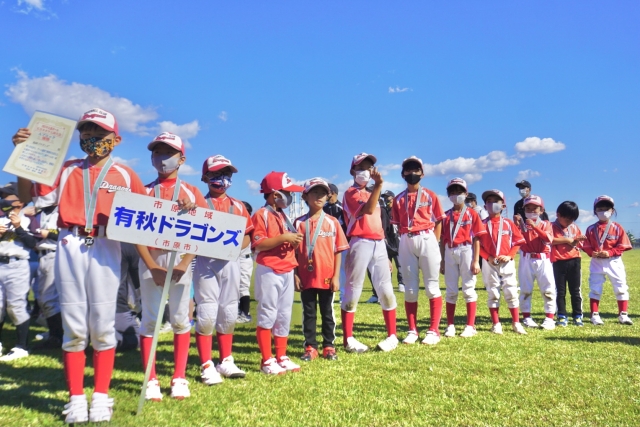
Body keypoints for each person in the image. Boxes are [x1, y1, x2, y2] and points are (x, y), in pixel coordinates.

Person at [13, 108, 148, 423]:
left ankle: (100, 396)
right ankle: (76, 398)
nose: (92, 139)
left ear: (116, 139)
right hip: (70, 242)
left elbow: (147, 217)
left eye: (100, 134)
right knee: (74, 324)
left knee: (102, 324)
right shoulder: (67, 169)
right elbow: (27, 196)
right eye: (86, 133)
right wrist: (22, 157)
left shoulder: (126, 175)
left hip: (107, 244)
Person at [137, 132, 205, 401]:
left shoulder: (191, 192)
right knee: (150, 319)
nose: (162, 158)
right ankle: (151, 378)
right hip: (151, 259)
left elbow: (203, 231)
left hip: (180, 261)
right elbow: (134, 233)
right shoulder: (143, 191)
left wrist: (185, 263)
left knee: (179, 318)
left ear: (182, 159)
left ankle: (179, 376)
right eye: (157, 152)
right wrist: (151, 265)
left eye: (168, 153)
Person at [195, 155, 251, 384]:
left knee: (228, 311)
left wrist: (233, 248)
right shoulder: (197, 203)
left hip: (231, 263)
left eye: (226, 174)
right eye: (216, 174)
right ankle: (206, 364)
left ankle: (226, 359)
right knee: (207, 312)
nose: (222, 178)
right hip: (205, 263)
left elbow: (247, 236)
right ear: (205, 177)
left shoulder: (238, 206)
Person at [342, 153, 398, 353]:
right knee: (353, 289)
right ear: (352, 171)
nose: (365, 171)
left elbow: (379, 222)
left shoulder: (374, 193)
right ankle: (348, 339)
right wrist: (379, 186)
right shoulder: (350, 193)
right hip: (360, 241)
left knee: (386, 289)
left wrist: (385, 252)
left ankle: (392, 335)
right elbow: (367, 210)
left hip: (378, 243)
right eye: (360, 168)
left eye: (368, 168)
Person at [252, 171, 304, 374]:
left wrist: (291, 242)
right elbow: (259, 244)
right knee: (268, 313)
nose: (290, 197)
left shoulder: (282, 215)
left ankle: (281, 356)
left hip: (287, 268)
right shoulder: (261, 214)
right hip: (269, 269)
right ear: (275, 194)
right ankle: (266, 359)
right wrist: (284, 238)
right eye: (287, 193)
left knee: (284, 314)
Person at [391, 156, 445, 345]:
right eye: (408, 170)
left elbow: (438, 220)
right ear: (402, 174)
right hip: (406, 238)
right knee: (410, 289)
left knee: (431, 286)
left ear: (422, 173)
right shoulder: (398, 199)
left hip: (426, 236)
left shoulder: (430, 195)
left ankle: (434, 330)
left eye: (416, 170)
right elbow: (396, 224)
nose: (412, 173)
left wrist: (434, 242)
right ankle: (412, 330)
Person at [294, 178, 349, 362]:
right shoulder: (298, 223)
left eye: (323, 193)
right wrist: (295, 275)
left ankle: (329, 345)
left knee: (327, 312)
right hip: (305, 276)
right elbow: (293, 253)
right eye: (314, 192)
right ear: (305, 196)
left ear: (328, 196)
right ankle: (310, 346)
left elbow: (338, 251)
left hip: (327, 276)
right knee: (308, 313)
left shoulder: (332, 222)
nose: (319, 196)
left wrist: (336, 276)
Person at [477, 189, 527, 335]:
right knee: (493, 292)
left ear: (503, 206)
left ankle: (516, 322)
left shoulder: (508, 224)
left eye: (496, 201)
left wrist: (510, 255)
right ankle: (496, 323)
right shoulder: (482, 224)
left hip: (507, 262)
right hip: (489, 263)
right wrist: (487, 257)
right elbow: (477, 245)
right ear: (485, 206)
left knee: (511, 291)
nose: (492, 204)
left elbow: (518, 242)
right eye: (489, 202)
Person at [440, 178, 484, 338]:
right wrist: (442, 260)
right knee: (451, 290)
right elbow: (442, 239)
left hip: (466, 250)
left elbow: (477, 238)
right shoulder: (445, 215)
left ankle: (470, 325)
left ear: (466, 194)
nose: (456, 195)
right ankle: (450, 325)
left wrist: (476, 261)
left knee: (468, 288)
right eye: (452, 192)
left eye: (459, 192)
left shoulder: (472, 214)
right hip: (449, 251)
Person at [582, 195, 633, 326]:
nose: (603, 211)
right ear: (595, 211)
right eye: (600, 209)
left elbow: (622, 245)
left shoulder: (617, 227)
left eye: (606, 208)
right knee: (595, 287)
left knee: (621, 286)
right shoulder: (591, 229)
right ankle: (594, 315)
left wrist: (610, 252)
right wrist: (591, 252)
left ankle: (623, 314)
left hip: (614, 261)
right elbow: (586, 245)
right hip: (597, 261)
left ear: (612, 210)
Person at [0, 190, 36, 361]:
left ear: (20, 201)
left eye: (8, 197)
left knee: (16, 305)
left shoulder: (29, 219)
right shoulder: (1, 218)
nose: (4, 200)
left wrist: (19, 228)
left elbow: (33, 243)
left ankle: (22, 346)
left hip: (17, 264)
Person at [517, 195, 557, 330]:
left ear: (541, 210)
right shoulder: (522, 225)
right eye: (528, 208)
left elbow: (548, 239)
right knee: (525, 289)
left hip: (543, 258)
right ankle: (526, 317)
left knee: (548, 288)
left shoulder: (546, 224)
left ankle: (549, 318)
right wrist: (517, 225)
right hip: (526, 258)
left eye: (535, 208)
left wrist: (535, 227)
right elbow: (516, 239)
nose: (531, 211)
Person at [28, 202, 63, 351]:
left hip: (57, 254)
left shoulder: (62, 210)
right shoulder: (38, 212)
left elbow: (71, 235)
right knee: (44, 299)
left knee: (49, 299)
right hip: (42, 256)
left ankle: (57, 337)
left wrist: (48, 234)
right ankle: (56, 334)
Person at [550, 201, 586, 327]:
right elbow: (549, 240)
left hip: (574, 260)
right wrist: (566, 239)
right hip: (558, 262)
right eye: (567, 219)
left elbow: (576, 244)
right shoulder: (551, 226)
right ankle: (561, 315)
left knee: (575, 290)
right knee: (560, 291)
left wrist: (577, 240)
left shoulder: (574, 227)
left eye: (572, 219)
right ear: (558, 214)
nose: (570, 222)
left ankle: (577, 315)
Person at [366, 190, 404, 303]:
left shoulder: (397, 209)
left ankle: (402, 283)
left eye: (388, 197)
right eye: (385, 197)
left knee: (400, 264)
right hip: (386, 242)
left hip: (397, 242)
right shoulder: (383, 209)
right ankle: (382, 290)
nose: (387, 200)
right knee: (385, 267)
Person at [323, 183, 347, 302]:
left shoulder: (342, 208)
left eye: (326, 192)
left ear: (332, 193)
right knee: (326, 268)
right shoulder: (323, 208)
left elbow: (347, 226)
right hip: (326, 244)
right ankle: (325, 293)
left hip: (340, 244)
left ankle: (343, 294)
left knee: (342, 270)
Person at [115, 242, 140, 351]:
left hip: (77, 309)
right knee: (138, 338)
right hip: (115, 308)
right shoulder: (127, 245)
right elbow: (138, 281)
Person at [237, 201, 254, 323]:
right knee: (233, 287)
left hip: (245, 258)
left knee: (243, 286)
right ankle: (237, 312)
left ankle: (245, 314)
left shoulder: (249, 224)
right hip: (235, 258)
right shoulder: (235, 223)